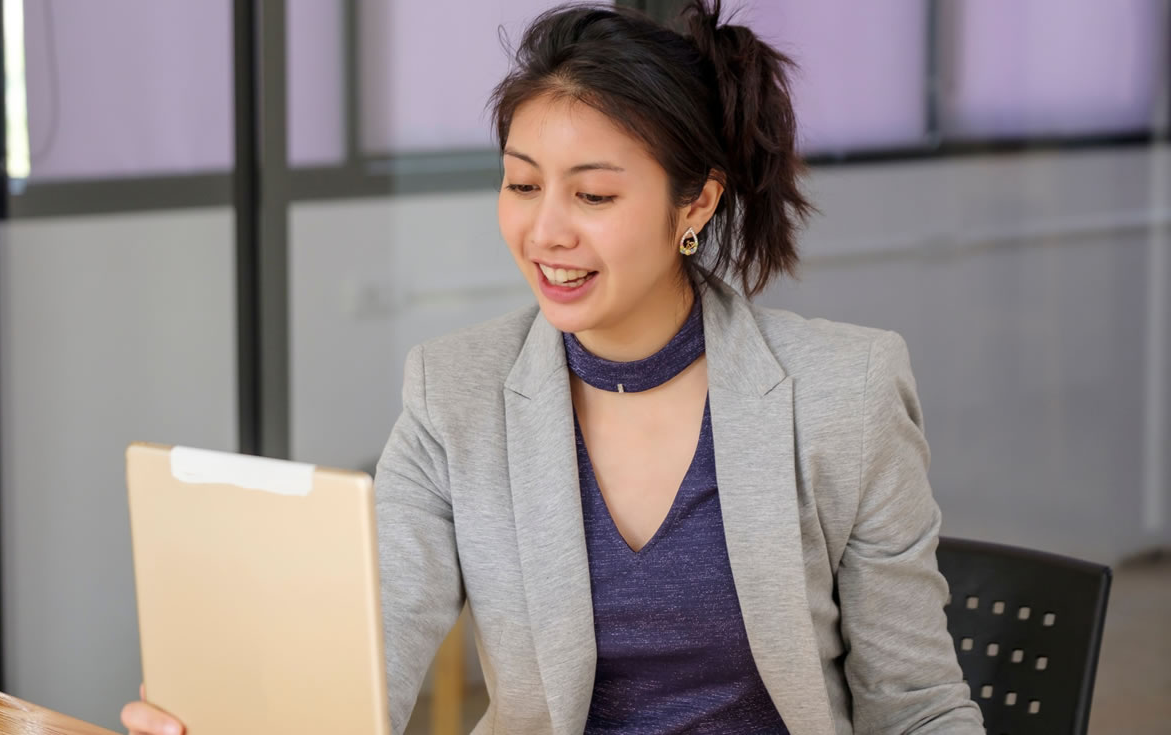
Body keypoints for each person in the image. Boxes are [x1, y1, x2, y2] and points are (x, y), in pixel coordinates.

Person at [123, 2, 985, 733]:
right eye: (523, 184)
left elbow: (918, 707)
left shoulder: (847, 391)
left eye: (595, 195)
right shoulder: (452, 395)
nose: (546, 233)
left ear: (698, 201)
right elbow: (364, 665)